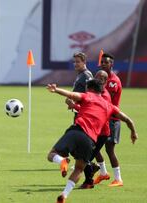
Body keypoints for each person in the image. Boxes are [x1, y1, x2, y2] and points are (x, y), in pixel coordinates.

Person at [46, 79, 137, 203]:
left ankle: (62, 160)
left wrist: (56, 90)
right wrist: (133, 132)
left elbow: (72, 95)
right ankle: (64, 195)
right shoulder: (110, 106)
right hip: (90, 140)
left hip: (77, 131)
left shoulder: (88, 96)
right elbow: (128, 120)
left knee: (52, 154)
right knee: (79, 169)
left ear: (91, 89)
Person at [93, 53, 125, 187]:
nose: (104, 64)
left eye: (106, 62)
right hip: (102, 119)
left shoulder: (113, 81)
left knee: (109, 149)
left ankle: (118, 179)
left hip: (111, 119)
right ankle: (103, 173)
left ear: (112, 64)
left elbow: (106, 102)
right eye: (102, 62)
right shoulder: (102, 79)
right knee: (94, 146)